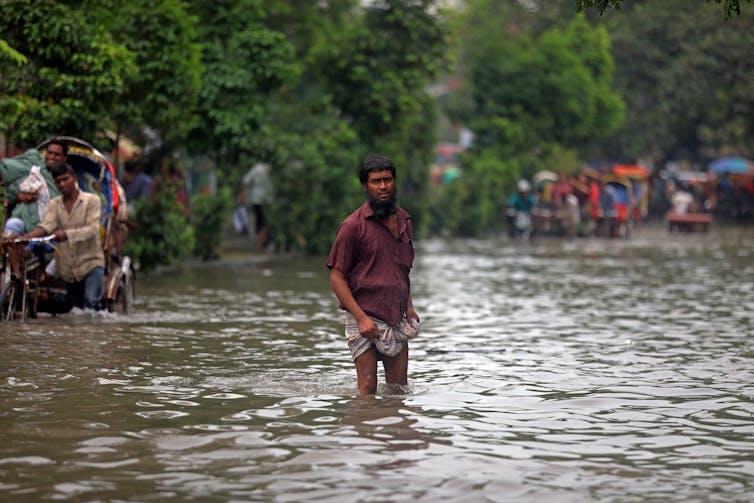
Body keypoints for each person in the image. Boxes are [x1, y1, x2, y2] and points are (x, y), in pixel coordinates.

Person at [327, 154, 420, 395]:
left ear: (394, 181)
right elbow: (337, 278)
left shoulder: (404, 221)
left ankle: (392, 431)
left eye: (387, 180)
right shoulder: (352, 226)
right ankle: (364, 430)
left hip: (395, 316)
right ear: (365, 186)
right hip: (363, 316)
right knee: (368, 387)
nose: (383, 186)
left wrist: (409, 307)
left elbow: (402, 270)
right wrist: (361, 318)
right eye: (376, 181)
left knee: (398, 390)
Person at [20, 162, 105, 311]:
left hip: (91, 263)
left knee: (92, 305)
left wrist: (66, 234)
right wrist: (26, 237)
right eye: (58, 181)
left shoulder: (92, 200)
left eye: (65, 179)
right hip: (68, 268)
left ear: (74, 178)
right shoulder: (55, 204)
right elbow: (47, 226)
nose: (62, 184)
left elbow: (92, 229)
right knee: (77, 310)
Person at [2, 140, 65, 236]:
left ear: (64, 158)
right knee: (12, 225)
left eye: (57, 155)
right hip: (25, 221)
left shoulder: (67, 179)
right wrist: (18, 195)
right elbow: (11, 189)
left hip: (53, 227)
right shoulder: (33, 170)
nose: (52, 157)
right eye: (49, 153)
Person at [242, 162, 273, 251]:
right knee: (265, 221)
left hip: (256, 199)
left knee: (259, 220)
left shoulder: (255, 169)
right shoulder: (269, 169)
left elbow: (245, 181)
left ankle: (259, 245)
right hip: (267, 200)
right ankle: (263, 243)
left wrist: (244, 195)